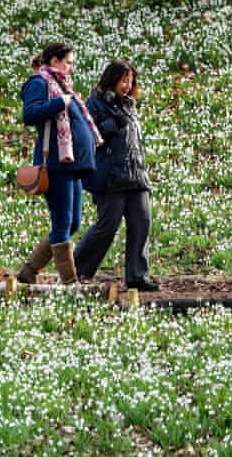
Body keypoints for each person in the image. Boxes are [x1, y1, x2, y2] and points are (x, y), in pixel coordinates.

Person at [17, 43, 103, 284]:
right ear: (54, 60)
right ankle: (69, 281)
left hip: (71, 165)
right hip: (55, 165)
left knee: (73, 221)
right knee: (63, 221)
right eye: (68, 62)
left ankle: (29, 270)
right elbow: (30, 114)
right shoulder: (40, 83)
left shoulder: (62, 85)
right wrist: (60, 103)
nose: (70, 67)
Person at [75, 60, 159, 291]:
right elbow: (87, 136)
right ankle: (77, 269)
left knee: (142, 222)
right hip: (110, 176)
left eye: (130, 80)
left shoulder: (129, 106)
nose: (127, 85)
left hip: (135, 175)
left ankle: (137, 276)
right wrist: (112, 124)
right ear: (111, 79)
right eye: (123, 80)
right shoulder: (95, 103)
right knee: (106, 227)